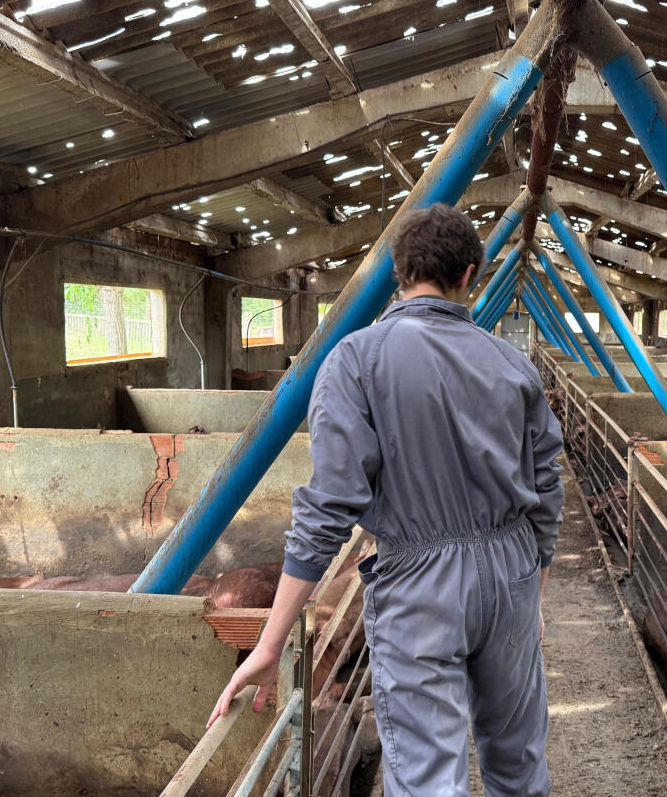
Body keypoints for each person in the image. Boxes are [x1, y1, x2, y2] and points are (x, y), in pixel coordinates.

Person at [208, 203, 565, 796]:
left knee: (427, 774)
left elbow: (329, 507)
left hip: (419, 583)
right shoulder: (513, 365)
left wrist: (271, 641)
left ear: (400, 274)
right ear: (470, 275)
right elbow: (546, 491)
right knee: (518, 761)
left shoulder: (354, 360)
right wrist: (534, 597)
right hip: (512, 574)